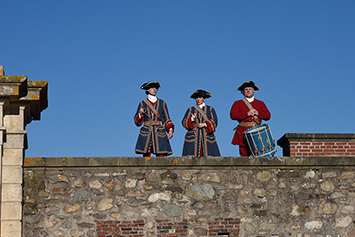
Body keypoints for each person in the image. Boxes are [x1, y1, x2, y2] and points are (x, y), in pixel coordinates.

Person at [230, 81, 271, 156]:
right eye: (246, 89)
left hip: (257, 131)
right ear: (243, 91)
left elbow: (268, 116)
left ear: (253, 91)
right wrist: (247, 114)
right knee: (244, 156)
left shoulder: (260, 103)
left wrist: (258, 113)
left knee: (259, 154)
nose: (248, 91)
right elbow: (233, 115)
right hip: (243, 132)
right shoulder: (237, 103)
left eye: (250, 89)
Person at [134, 81, 174, 157]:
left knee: (161, 154)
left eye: (156, 88)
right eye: (152, 88)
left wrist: (170, 130)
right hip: (147, 130)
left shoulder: (162, 103)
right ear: (148, 90)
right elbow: (137, 121)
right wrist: (140, 114)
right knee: (146, 154)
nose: (154, 89)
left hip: (159, 130)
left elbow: (167, 118)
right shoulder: (142, 103)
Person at [182, 89, 221, 157]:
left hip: (206, 135)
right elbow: (184, 123)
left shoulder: (210, 109)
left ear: (203, 98)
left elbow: (215, 122)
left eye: (200, 97)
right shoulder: (190, 109)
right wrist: (191, 119)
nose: (198, 99)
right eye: (196, 98)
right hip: (193, 136)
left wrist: (205, 124)